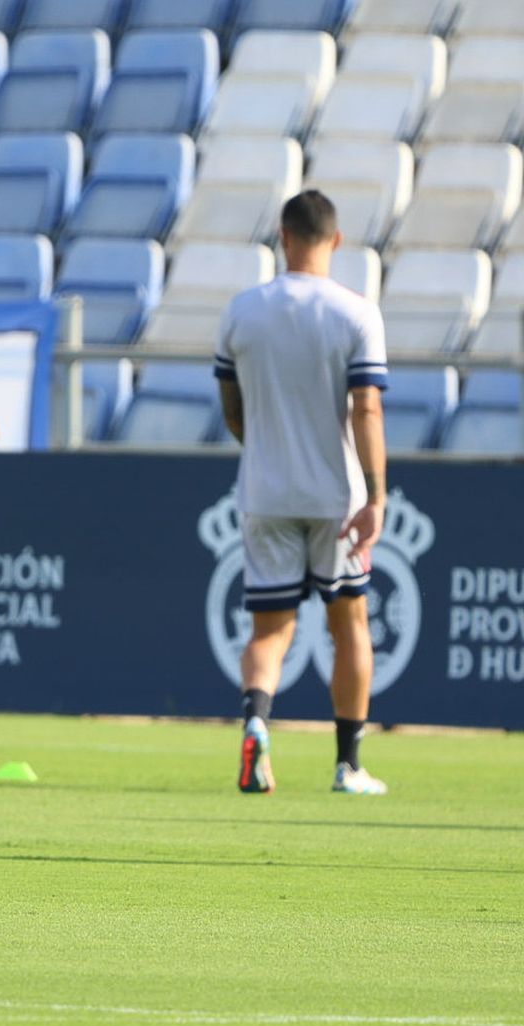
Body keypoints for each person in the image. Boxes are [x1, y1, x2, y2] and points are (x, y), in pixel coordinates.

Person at [215, 189, 390, 796]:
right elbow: (366, 406)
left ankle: (257, 723)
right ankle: (349, 764)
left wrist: (258, 441)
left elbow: (232, 407)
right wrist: (377, 495)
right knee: (351, 625)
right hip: (334, 495)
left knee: (269, 631)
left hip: (263, 489)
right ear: (335, 241)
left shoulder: (243, 311)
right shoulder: (356, 313)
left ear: (282, 237)